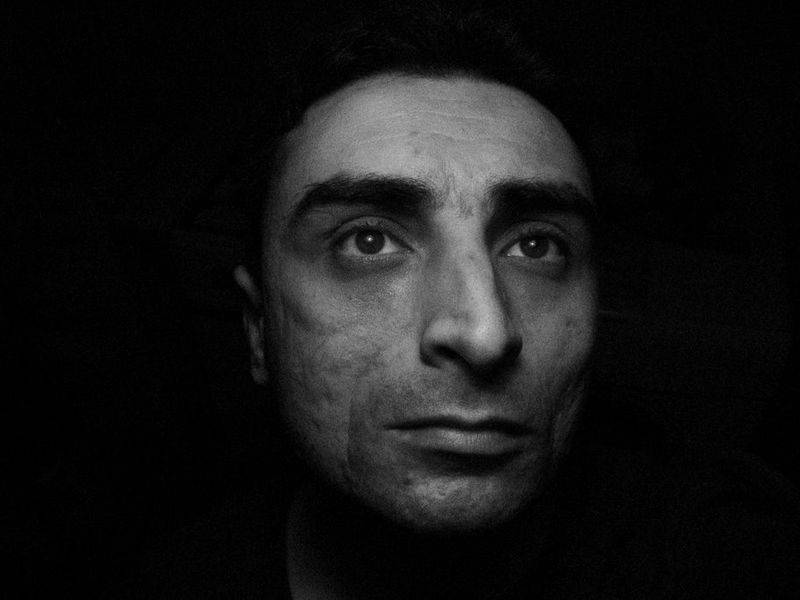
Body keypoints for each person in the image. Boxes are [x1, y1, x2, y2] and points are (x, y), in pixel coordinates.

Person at [123, 3, 800, 598]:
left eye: (536, 246)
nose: (484, 331)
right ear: (257, 330)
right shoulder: (175, 579)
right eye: (368, 241)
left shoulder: (722, 551)